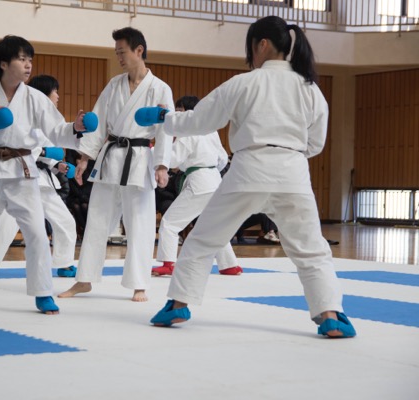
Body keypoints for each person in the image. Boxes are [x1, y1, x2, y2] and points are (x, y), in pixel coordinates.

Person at [144, 16, 356, 338]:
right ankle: (330, 314)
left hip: (248, 171)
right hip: (293, 173)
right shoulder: (310, 89)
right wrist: (289, 154)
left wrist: (165, 118)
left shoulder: (244, 83)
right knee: (311, 250)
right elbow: (316, 143)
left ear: (263, 44)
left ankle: (178, 304)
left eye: (251, 47)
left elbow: (199, 121)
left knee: (203, 239)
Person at [0, 35, 89, 314]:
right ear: (3, 63)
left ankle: (43, 292)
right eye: (22, 59)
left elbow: (57, 130)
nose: (28, 65)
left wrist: (76, 128)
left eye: (30, 60)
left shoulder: (35, 98)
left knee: (36, 232)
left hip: (22, 171)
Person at [59, 27, 173, 302]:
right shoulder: (114, 84)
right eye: (116, 53)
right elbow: (98, 122)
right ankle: (84, 279)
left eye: (122, 52)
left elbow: (165, 129)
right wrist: (85, 157)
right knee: (97, 219)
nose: (119, 58)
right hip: (111, 157)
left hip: (140, 159)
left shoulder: (159, 88)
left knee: (140, 223)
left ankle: (139, 283)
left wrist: (162, 165)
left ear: (139, 50)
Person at [0, 74, 79, 280]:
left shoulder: (50, 121)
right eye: (55, 91)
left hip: (42, 180)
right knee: (7, 224)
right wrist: (44, 152)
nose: (58, 96)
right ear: (43, 94)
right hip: (19, 176)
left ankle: (65, 263)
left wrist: (56, 164)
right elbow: (17, 146)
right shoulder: (23, 116)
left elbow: (48, 151)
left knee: (65, 220)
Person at [152, 96, 242, 277]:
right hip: (215, 180)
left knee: (170, 223)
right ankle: (229, 265)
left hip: (199, 181)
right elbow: (222, 158)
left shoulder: (188, 131)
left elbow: (173, 159)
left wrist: (151, 150)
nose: (177, 115)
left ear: (188, 112)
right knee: (215, 225)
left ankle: (168, 263)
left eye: (179, 111)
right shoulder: (210, 130)